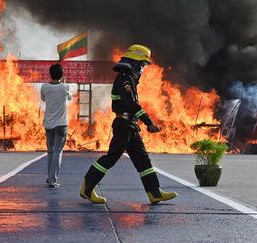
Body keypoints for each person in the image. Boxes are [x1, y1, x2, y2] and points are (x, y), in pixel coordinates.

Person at [80, 44, 177, 204]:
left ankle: (154, 192)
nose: (143, 69)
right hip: (124, 125)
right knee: (111, 157)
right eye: (143, 65)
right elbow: (131, 104)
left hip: (130, 125)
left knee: (143, 160)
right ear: (135, 62)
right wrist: (149, 122)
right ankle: (87, 187)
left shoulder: (129, 79)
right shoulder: (125, 78)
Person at [41, 63, 71, 188]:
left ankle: (50, 177)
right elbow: (69, 98)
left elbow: (43, 99)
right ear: (62, 75)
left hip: (48, 124)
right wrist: (64, 83)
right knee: (58, 151)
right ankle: (53, 179)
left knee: (50, 151)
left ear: (50, 74)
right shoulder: (65, 87)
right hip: (62, 124)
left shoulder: (44, 87)